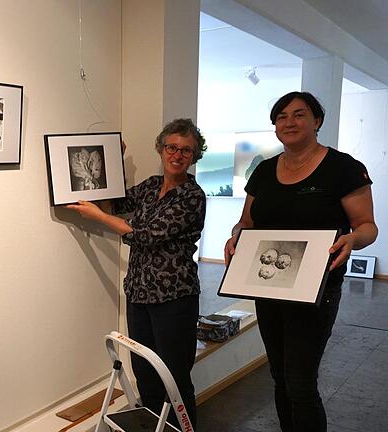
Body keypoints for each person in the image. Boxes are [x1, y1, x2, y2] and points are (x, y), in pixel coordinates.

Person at [224, 91, 378, 432]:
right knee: (279, 376)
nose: (289, 122)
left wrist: (352, 239)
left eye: (299, 114)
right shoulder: (263, 171)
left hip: (315, 289)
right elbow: (247, 223)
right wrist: (236, 236)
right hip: (268, 287)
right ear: (275, 126)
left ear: (317, 121)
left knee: (300, 382)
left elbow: (367, 226)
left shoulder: (343, 168)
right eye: (282, 117)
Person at [68, 118, 207, 427]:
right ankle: (154, 425)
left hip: (174, 296)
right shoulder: (150, 186)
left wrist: (96, 216)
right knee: (144, 371)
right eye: (172, 147)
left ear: (194, 156)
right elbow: (116, 202)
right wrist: (111, 161)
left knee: (174, 377)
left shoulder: (192, 197)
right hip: (139, 292)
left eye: (186, 150)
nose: (177, 155)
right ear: (161, 149)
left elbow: (144, 234)